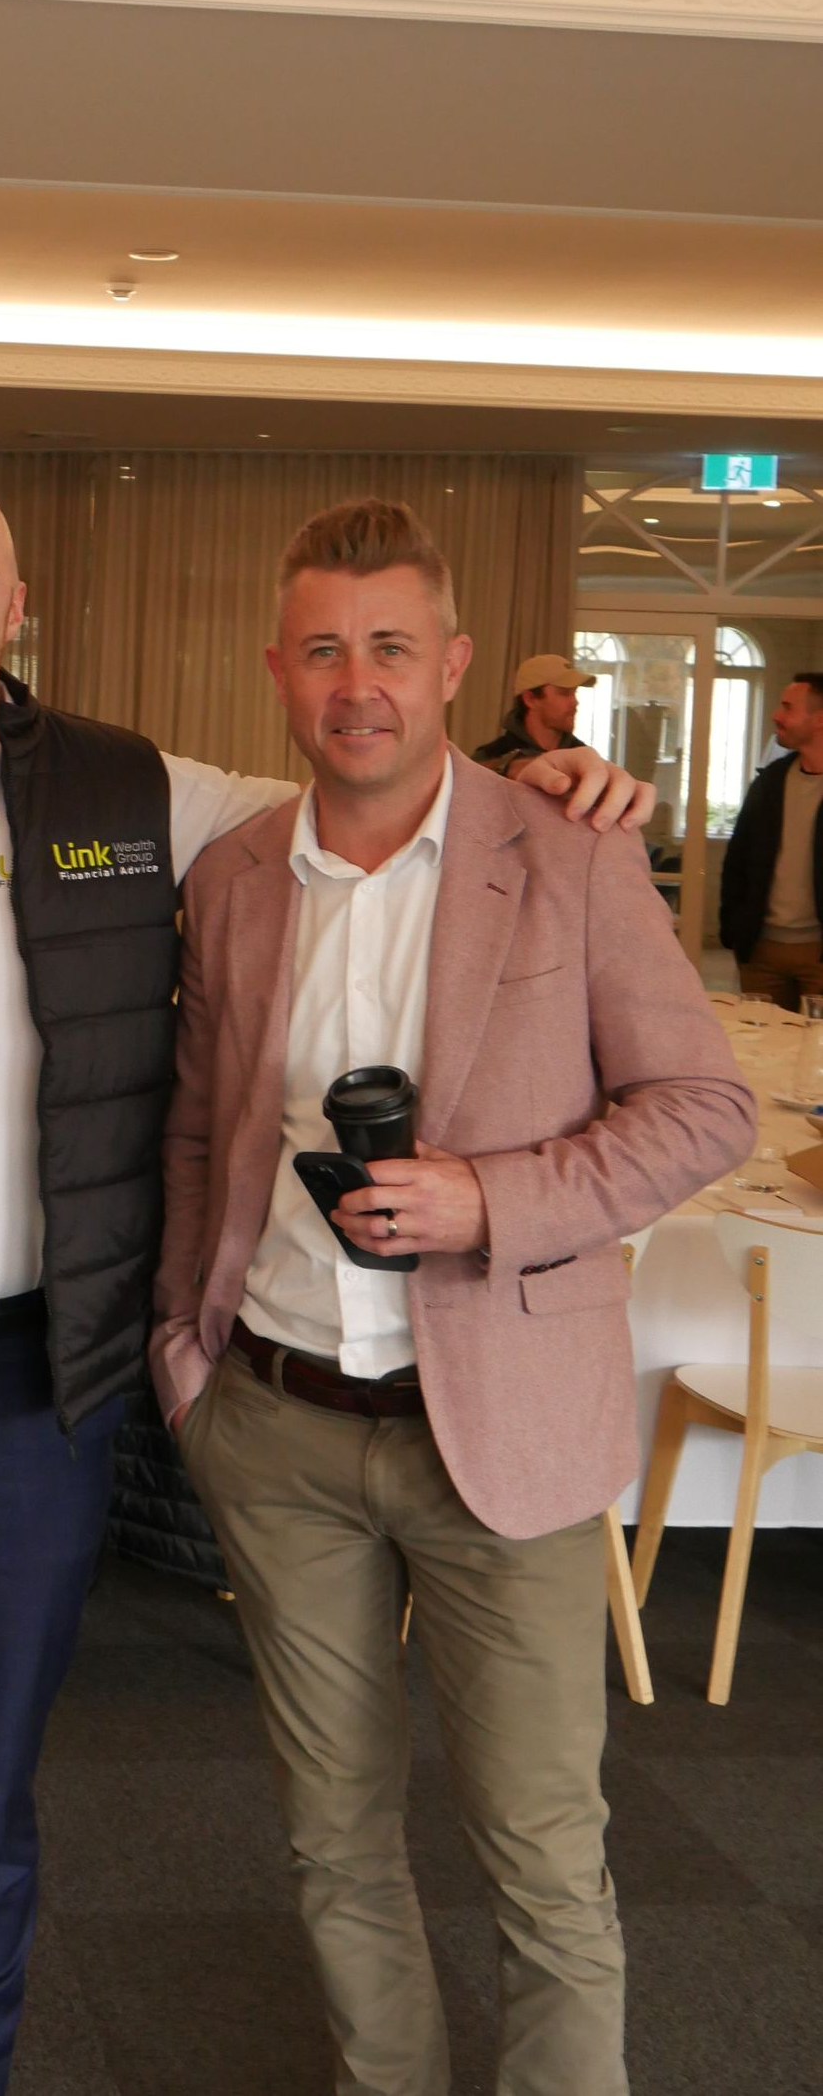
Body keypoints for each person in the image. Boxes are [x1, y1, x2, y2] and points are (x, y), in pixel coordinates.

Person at [0, 469, 654, 2096]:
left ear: (14, 609)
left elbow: (365, 792)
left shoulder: (135, 792)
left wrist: (543, 784)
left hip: (24, 1398)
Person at [152, 497, 753, 2096]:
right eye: (327, 649)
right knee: (329, 1837)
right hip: (274, 1421)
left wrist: (487, 1199)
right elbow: (194, 1127)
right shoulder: (227, 877)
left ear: (452, 665)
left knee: (540, 1855)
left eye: (393, 649)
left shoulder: (566, 850)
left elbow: (702, 1110)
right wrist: (183, 1360)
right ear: (279, 669)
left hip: (500, 1433)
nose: (359, 684)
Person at [720, 671, 823, 1010]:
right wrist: (734, 928)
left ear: (819, 718)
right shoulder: (770, 783)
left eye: (787, 707)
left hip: (819, 954)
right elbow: (738, 859)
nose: (777, 715)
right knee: (761, 1052)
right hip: (761, 952)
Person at [473, 650, 595, 770]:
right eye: (564, 693)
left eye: (575, 693)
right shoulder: (489, 759)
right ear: (530, 699)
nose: (575, 702)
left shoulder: (585, 760)